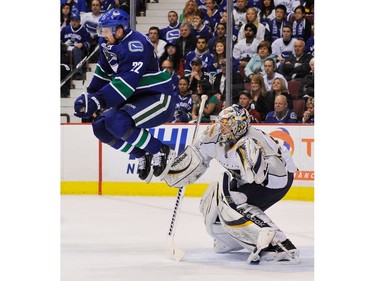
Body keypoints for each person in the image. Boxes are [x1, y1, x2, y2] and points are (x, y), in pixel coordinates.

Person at [165, 104, 299, 264]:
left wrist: (256, 170)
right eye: (221, 122)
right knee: (212, 198)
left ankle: (279, 244)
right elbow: (197, 158)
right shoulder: (215, 134)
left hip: (275, 180)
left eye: (227, 124)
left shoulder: (254, 140)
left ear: (239, 126)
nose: (221, 127)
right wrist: (177, 170)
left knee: (232, 199)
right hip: (246, 178)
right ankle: (229, 239)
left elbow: (278, 177)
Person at [73, 8, 177, 183]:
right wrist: (89, 96)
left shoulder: (136, 45)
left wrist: (97, 101)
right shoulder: (107, 43)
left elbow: (125, 85)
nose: (102, 34)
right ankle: (141, 154)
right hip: (136, 98)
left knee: (116, 122)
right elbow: (103, 72)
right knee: (100, 127)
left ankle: (160, 150)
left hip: (158, 97)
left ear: (119, 30)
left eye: (105, 30)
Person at [60, 13, 92, 80]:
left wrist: (82, 44)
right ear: (70, 21)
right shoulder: (65, 29)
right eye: (73, 21)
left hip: (78, 51)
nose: (74, 23)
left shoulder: (84, 30)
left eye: (76, 21)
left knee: (75, 50)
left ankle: (78, 73)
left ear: (79, 21)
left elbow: (89, 43)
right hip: (66, 50)